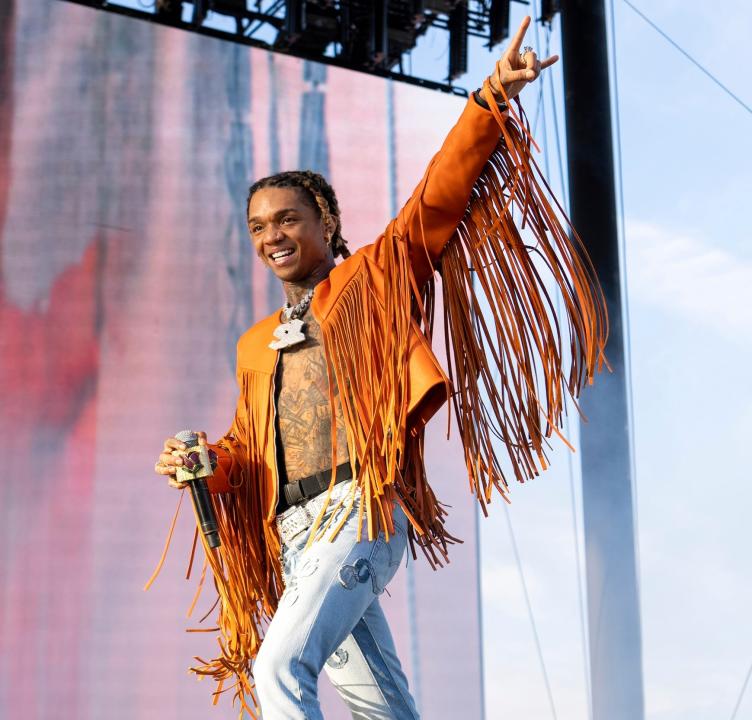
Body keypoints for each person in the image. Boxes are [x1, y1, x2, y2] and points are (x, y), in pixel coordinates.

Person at [151, 15, 607, 720]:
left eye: (288, 218)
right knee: (380, 710)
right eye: (259, 226)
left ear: (326, 222)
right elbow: (248, 446)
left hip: (358, 509)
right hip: (296, 533)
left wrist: (491, 99)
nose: (273, 235)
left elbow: (438, 197)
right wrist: (206, 460)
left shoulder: (376, 276)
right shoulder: (254, 343)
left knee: (279, 667)